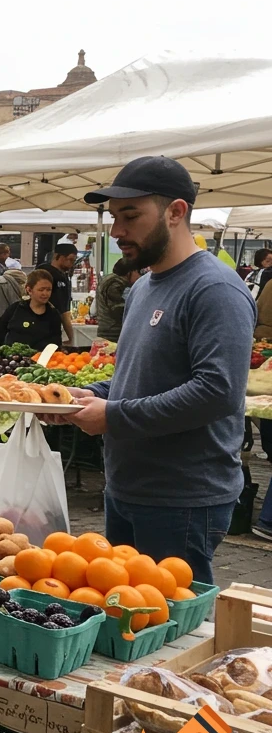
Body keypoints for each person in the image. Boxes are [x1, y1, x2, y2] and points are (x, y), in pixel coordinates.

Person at [52, 156, 255, 583]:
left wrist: (113, 416)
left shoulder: (214, 289)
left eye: (130, 216)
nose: (117, 231)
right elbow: (139, 373)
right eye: (113, 217)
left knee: (171, 630)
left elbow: (217, 391)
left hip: (182, 498)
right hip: (127, 487)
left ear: (176, 212)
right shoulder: (144, 285)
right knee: (124, 616)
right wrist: (94, 395)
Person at [0, 269, 63, 351]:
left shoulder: (53, 314)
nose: (45, 293)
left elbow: (56, 343)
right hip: (12, 360)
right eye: (41, 290)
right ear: (29, 290)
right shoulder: (15, 309)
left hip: (41, 361)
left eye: (48, 290)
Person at [36, 242, 77, 345]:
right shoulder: (45, 273)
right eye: (70, 259)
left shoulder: (63, 276)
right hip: (42, 326)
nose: (72, 264)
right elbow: (63, 310)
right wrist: (71, 338)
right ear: (58, 256)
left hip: (52, 327)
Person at [95, 258, 139, 341]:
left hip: (108, 331)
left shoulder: (110, 280)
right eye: (138, 272)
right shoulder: (114, 283)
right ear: (129, 272)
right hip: (112, 333)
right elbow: (117, 309)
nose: (140, 276)